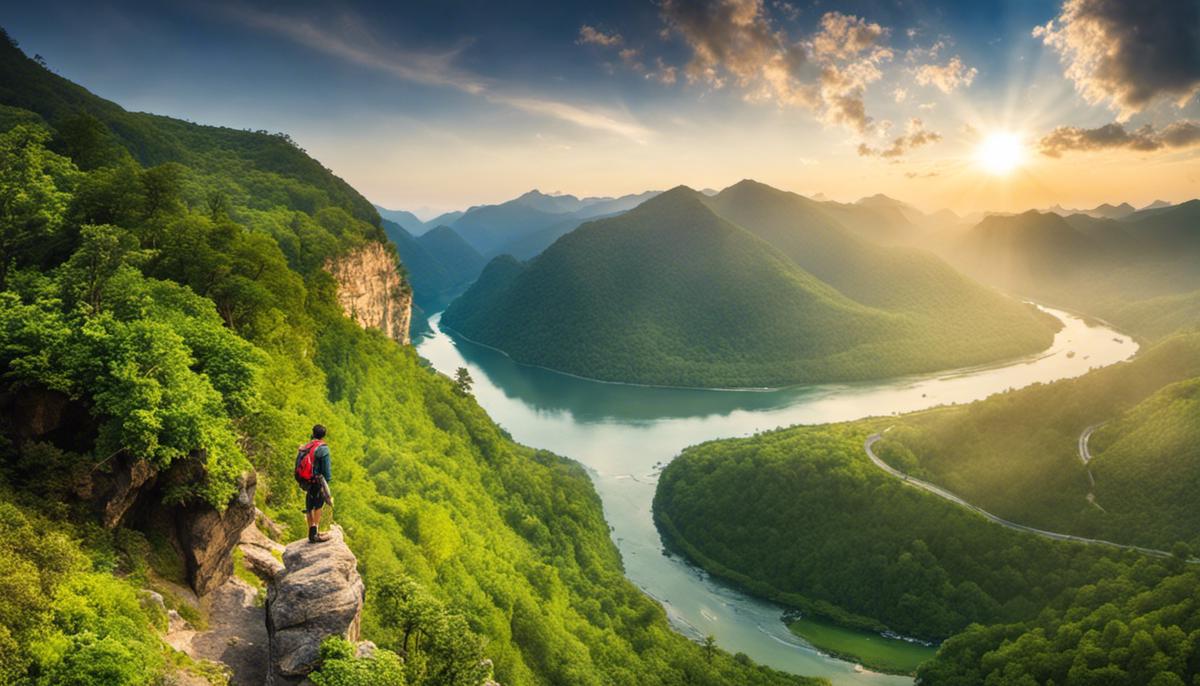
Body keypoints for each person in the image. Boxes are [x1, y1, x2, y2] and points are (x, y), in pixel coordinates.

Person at [297, 424, 334, 544]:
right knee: (318, 505)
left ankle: (310, 529)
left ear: (313, 433)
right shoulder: (323, 449)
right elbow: (326, 470)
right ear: (324, 435)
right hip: (317, 480)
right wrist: (326, 482)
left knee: (309, 504)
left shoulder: (305, 447)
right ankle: (315, 530)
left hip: (306, 480)